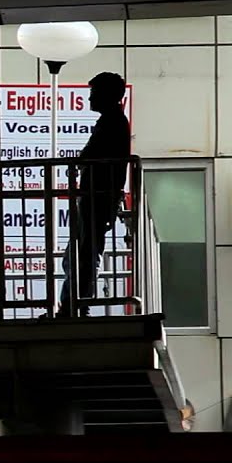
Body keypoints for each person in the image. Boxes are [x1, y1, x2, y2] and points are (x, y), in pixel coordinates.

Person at [54, 71, 131, 317]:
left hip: (98, 197)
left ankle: (75, 306)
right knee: (78, 254)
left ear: (106, 95)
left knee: (84, 254)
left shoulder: (112, 122)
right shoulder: (113, 121)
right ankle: (73, 304)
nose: (90, 98)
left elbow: (90, 153)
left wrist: (80, 162)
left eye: (94, 93)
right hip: (96, 196)